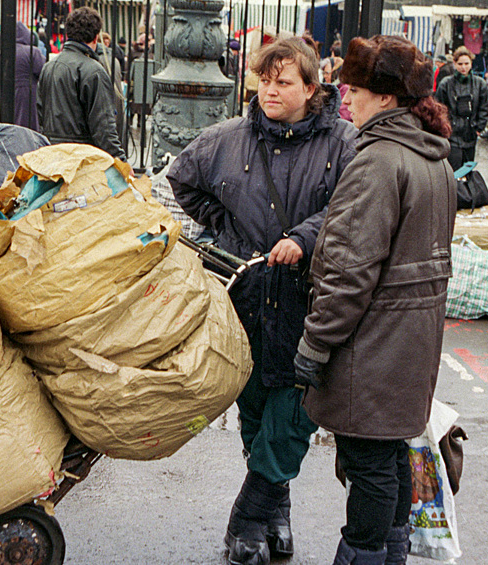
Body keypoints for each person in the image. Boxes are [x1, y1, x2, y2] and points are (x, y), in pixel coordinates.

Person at [168, 36, 357, 565]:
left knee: (293, 409)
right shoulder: (227, 138)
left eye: (284, 82)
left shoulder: (344, 142)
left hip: (308, 299)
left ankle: (249, 514)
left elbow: (352, 208)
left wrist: (306, 237)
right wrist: (223, 224)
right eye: (265, 80)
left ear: (311, 88)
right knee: (253, 405)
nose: (271, 91)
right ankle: (276, 508)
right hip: (246, 295)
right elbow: (182, 179)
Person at [293, 35, 457, 565]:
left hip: (374, 344)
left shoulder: (379, 161)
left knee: (368, 467)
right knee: (387, 459)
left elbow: (347, 269)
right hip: (411, 342)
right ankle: (389, 554)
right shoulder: (429, 156)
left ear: (385, 98)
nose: (345, 98)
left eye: (355, 88)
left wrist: (316, 344)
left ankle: (363, 555)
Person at [37, 6, 126, 160]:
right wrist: (119, 158)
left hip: (51, 153)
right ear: (95, 37)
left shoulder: (49, 67)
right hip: (80, 156)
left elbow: (40, 112)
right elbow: (103, 125)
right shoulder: (93, 71)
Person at [435, 46, 488, 171]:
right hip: (451, 135)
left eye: (466, 63)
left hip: (470, 134)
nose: (463, 67)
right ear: (454, 63)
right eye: (460, 64)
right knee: (453, 172)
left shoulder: (480, 84)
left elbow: (484, 108)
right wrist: (444, 128)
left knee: (467, 172)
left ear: (471, 63)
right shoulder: (445, 84)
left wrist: (478, 128)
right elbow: (439, 108)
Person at [0, 21, 44, 130]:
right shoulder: (33, 52)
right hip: (29, 95)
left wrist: (2, 90)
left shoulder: (2, 53)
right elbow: (44, 73)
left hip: (7, 95)